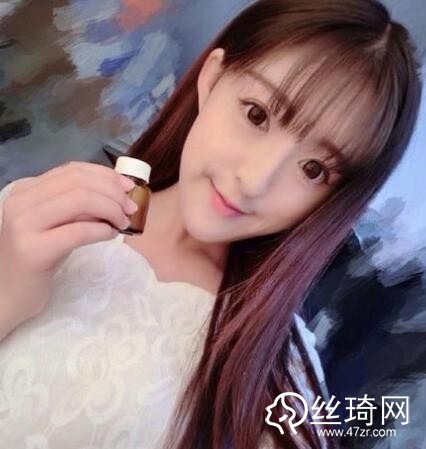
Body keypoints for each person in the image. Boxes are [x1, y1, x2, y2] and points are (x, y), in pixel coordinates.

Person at [0, 0, 422, 448]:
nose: (255, 181)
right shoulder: (38, 212)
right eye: (257, 114)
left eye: (313, 169)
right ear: (212, 78)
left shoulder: (273, 380)